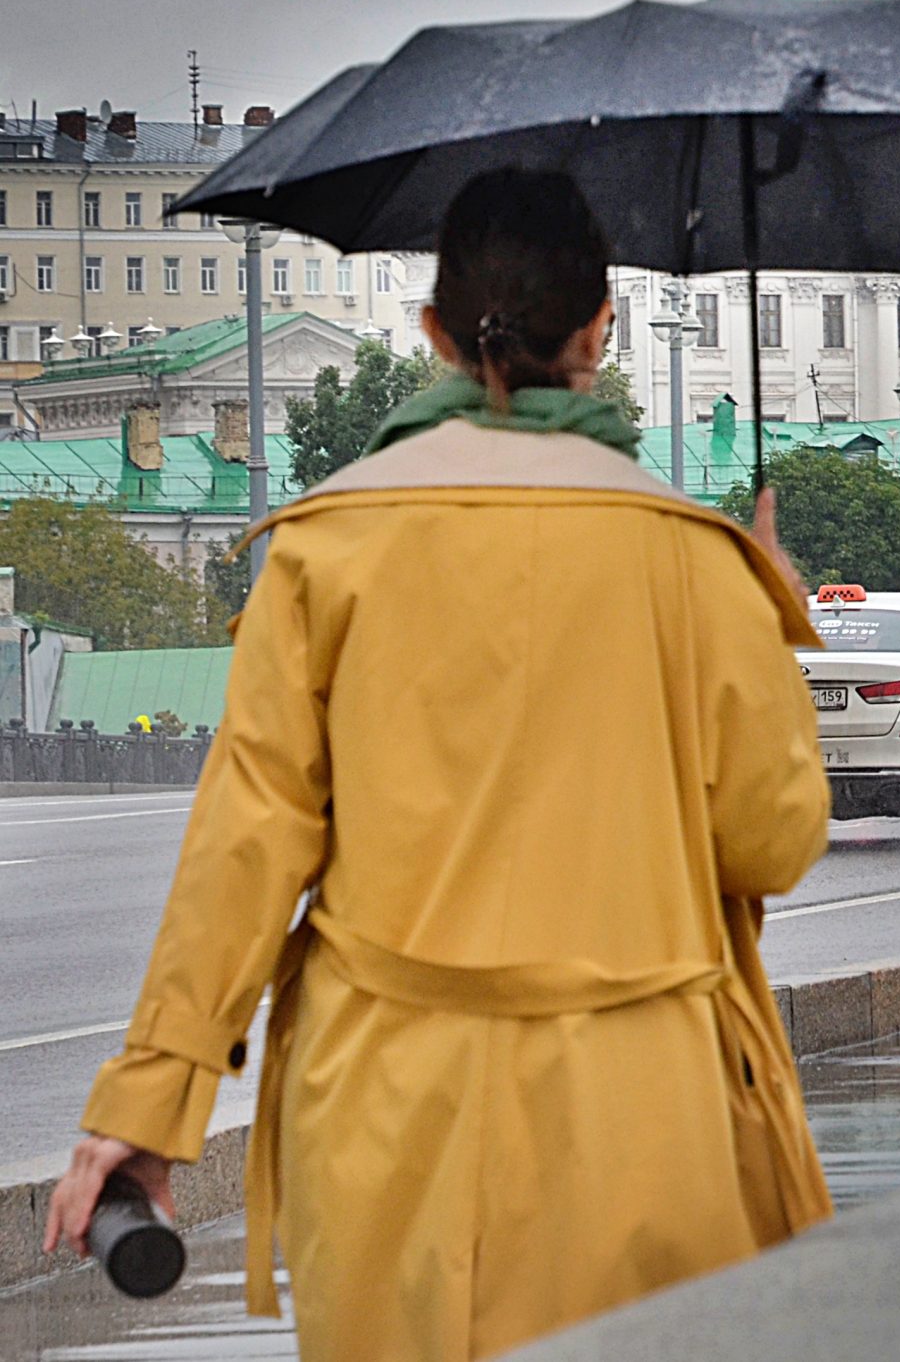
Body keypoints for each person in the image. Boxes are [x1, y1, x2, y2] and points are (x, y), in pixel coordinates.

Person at [43, 170, 833, 1359]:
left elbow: (246, 846)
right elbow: (772, 838)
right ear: (600, 333)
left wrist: (150, 1103)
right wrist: (766, 616)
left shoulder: (324, 548)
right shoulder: (695, 559)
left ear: (433, 333)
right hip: (644, 1108)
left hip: (386, 1111)